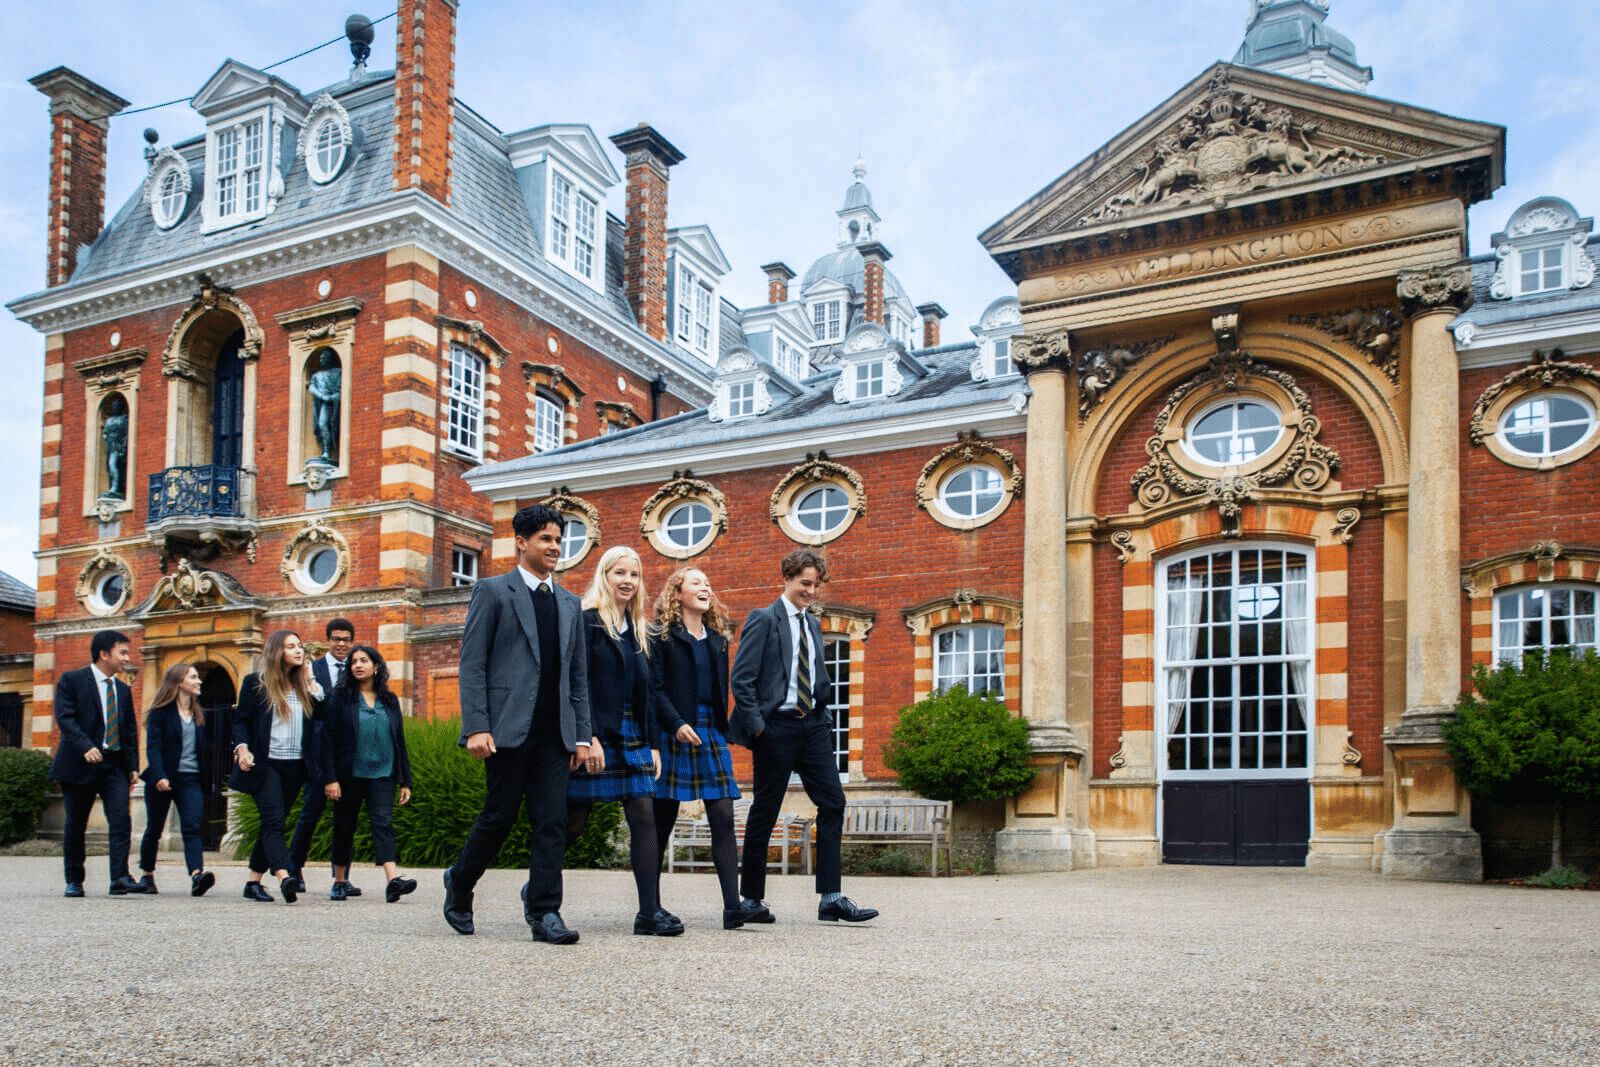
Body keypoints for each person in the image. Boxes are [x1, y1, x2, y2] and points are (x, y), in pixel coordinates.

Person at [441, 504, 594, 944]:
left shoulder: (569, 602)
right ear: (521, 542)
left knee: (551, 821)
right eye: (545, 539)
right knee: (499, 816)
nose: (554, 547)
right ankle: (460, 882)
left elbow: (578, 677)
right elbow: (472, 665)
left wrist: (581, 735)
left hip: (555, 733)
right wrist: (476, 726)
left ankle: (545, 912)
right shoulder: (492, 591)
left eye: (558, 540)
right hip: (506, 729)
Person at [730, 549, 877, 924]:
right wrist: (759, 729)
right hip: (775, 728)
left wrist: (822, 718)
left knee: (833, 803)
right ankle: (751, 900)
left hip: (812, 727)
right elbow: (741, 680)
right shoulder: (763, 619)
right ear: (787, 578)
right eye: (804, 583)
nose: (810, 591)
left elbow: (818, 676)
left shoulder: (813, 624)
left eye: (815, 584)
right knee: (765, 810)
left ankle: (831, 897)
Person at [565, 546, 681, 936]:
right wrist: (587, 736)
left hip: (633, 736)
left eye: (634, 574)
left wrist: (652, 745)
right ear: (604, 576)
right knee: (573, 824)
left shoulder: (641, 632)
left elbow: (646, 695)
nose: (628, 580)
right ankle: (539, 884)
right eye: (620, 573)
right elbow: (575, 683)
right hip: (596, 733)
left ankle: (649, 912)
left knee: (644, 815)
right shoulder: (585, 622)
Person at [649, 567, 750, 930]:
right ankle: (651, 906)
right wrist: (675, 723)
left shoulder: (719, 639)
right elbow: (654, 689)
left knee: (723, 816)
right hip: (675, 731)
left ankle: (732, 907)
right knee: (663, 821)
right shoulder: (660, 636)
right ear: (677, 593)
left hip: (710, 733)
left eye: (708, 583)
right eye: (696, 583)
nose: (705, 586)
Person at [231, 629, 327, 904]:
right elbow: (241, 721)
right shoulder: (255, 684)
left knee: (274, 821)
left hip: (295, 765)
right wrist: (242, 748)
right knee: (273, 819)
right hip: (266, 764)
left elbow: (323, 713)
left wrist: (310, 681)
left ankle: (253, 883)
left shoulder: (304, 687)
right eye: (291, 647)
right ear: (277, 652)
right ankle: (285, 876)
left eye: (300, 646)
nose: (299, 651)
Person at [322, 645, 417, 904]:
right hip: (348, 773)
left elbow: (399, 740)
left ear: (376, 666)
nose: (358, 665)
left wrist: (405, 779)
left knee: (383, 823)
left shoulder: (389, 699)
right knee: (344, 825)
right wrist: (330, 778)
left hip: (383, 771)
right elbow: (328, 739)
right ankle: (340, 881)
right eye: (354, 662)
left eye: (364, 660)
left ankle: (392, 880)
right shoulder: (340, 697)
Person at [50, 629, 141, 897]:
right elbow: (65, 718)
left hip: (114, 765)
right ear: (104, 654)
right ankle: (74, 880)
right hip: (80, 762)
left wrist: (133, 765)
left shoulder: (122, 690)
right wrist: (85, 746)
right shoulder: (72, 680)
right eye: (122, 652)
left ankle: (120, 878)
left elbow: (130, 731)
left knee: (121, 821)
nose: (127, 658)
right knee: (76, 824)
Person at [135, 662, 217, 897]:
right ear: (179, 682)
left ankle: (196, 876)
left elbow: (206, 751)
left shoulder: (200, 715)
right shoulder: (160, 713)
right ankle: (147, 875)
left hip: (190, 780)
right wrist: (159, 775)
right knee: (155, 829)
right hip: (163, 779)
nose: (199, 681)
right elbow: (153, 747)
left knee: (192, 827)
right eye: (193, 677)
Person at [286, 617, 355, 895]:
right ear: (328, 641)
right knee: (310, 813)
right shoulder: (310, 670)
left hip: (347, 754)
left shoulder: (357, 670)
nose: (341, 644)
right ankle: (294, 869)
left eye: (346, 639)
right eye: (336, 639)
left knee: (346, 817)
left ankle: (342, 878)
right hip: (316, 754)